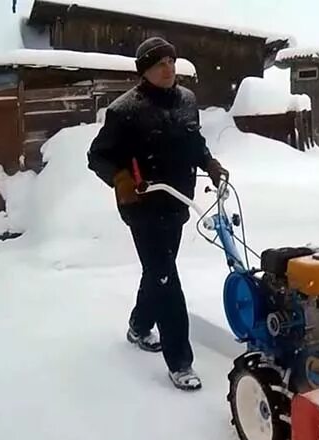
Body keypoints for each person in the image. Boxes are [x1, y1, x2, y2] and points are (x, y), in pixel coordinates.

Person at [87, 36, 228, 392]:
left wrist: (208, 162)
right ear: (145, 71)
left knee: (158, 271)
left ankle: (138, 325)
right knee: (166, 276)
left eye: (171, 61)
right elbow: (97, 155)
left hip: (177, 200)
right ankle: (180, 361)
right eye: (159, 64)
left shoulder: (187, 101)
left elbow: (193, 141)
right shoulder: (125, 110)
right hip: (142, 205)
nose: (168, 69)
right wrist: (119, 179)